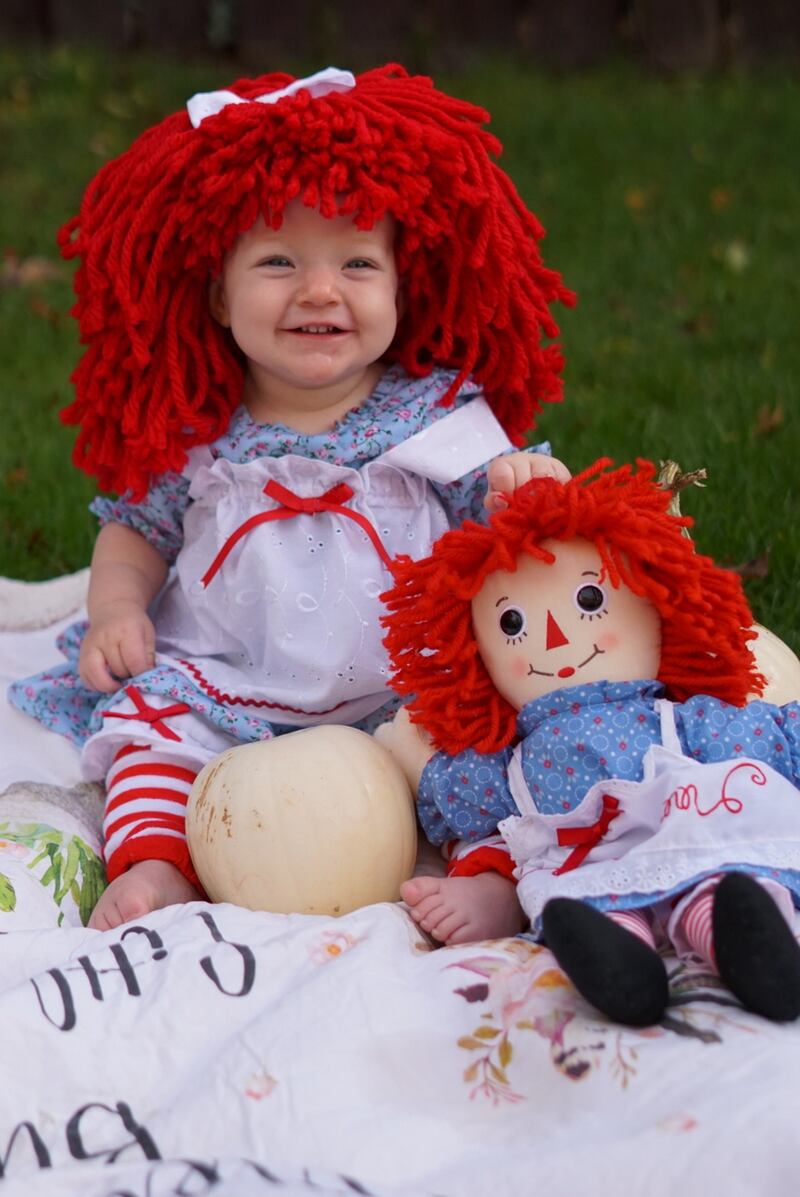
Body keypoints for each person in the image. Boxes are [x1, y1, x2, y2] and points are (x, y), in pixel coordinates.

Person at [9, 65, 574, 931]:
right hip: (227, 679)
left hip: (401, 689)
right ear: (217, 295)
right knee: (148, 737)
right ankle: (157, 862)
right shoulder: (199, 432)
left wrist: (522, 496)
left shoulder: (431, 412)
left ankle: (490, 874)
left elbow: (498, 522)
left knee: (482, 746)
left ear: (399, 287)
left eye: (357, 262)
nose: (320, 290)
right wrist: (117, 607)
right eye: (278, 262)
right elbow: (134, 529)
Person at [379, 460, 800, 1025]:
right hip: (587, 864)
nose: (554, 637)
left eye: (588, 602)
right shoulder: (511, 761)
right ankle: (618, 966)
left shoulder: (674, 719)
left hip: (687, 827)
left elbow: (759, 735)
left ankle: (750, 947)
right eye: (512, 625)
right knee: (584, 901)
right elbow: (458, 801)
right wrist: (403, 759)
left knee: (717, 879)